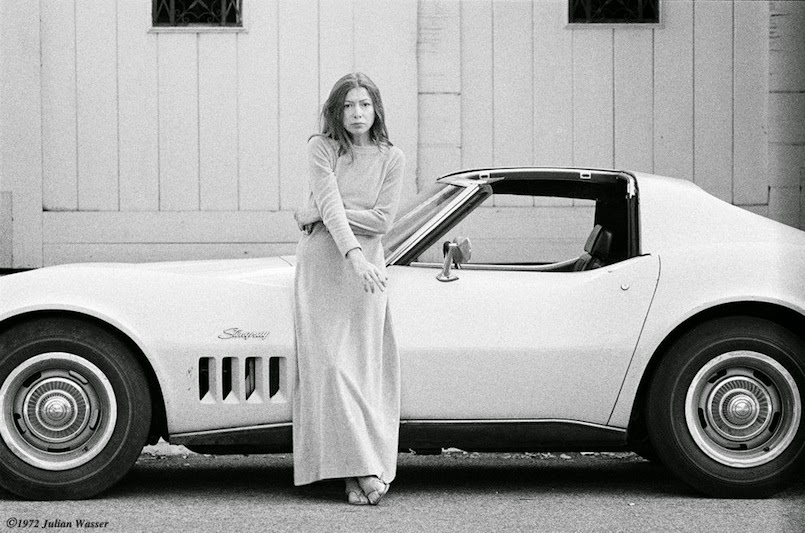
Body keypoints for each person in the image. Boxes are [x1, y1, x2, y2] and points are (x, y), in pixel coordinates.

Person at [292, 72, 405, 506]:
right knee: (332, 369)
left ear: (376, 109)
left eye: (364, 104)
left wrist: (320, 211)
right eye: (348, 106)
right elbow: (335, 208)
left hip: (368, 274)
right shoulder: (321, 148)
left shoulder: (392, 158)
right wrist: (352, 252)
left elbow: (382, 221)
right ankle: (361, 468)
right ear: (335, 111)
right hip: (326, 265)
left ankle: (356, 472)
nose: (357, 113)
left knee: (361, 374)